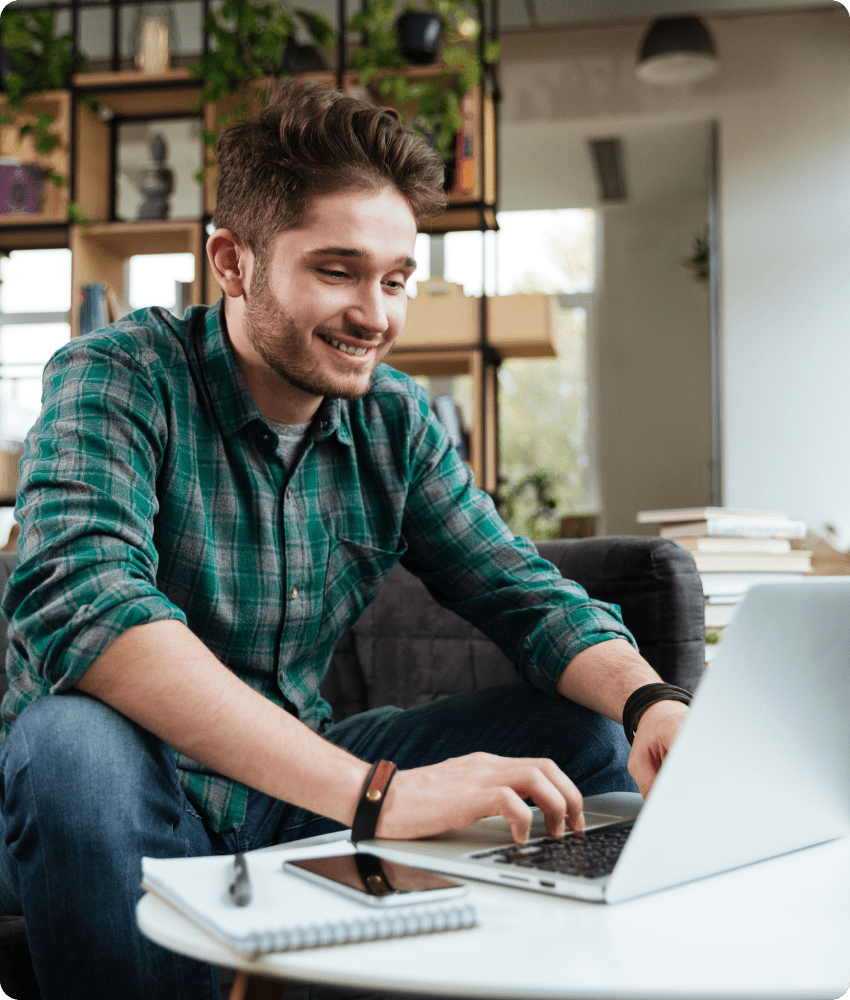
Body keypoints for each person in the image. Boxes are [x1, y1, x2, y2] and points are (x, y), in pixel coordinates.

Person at [0, 79, 688, 1000]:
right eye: (337, 270)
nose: (377, 314)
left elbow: (519, 590)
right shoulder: (118, 376)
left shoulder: (394, 422)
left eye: (396, 279)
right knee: (70, 740)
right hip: (118, 795)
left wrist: (652, 705)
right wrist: (379, 795)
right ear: (232, 261)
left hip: (292, 783)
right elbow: (89, 607)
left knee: (581, 734)